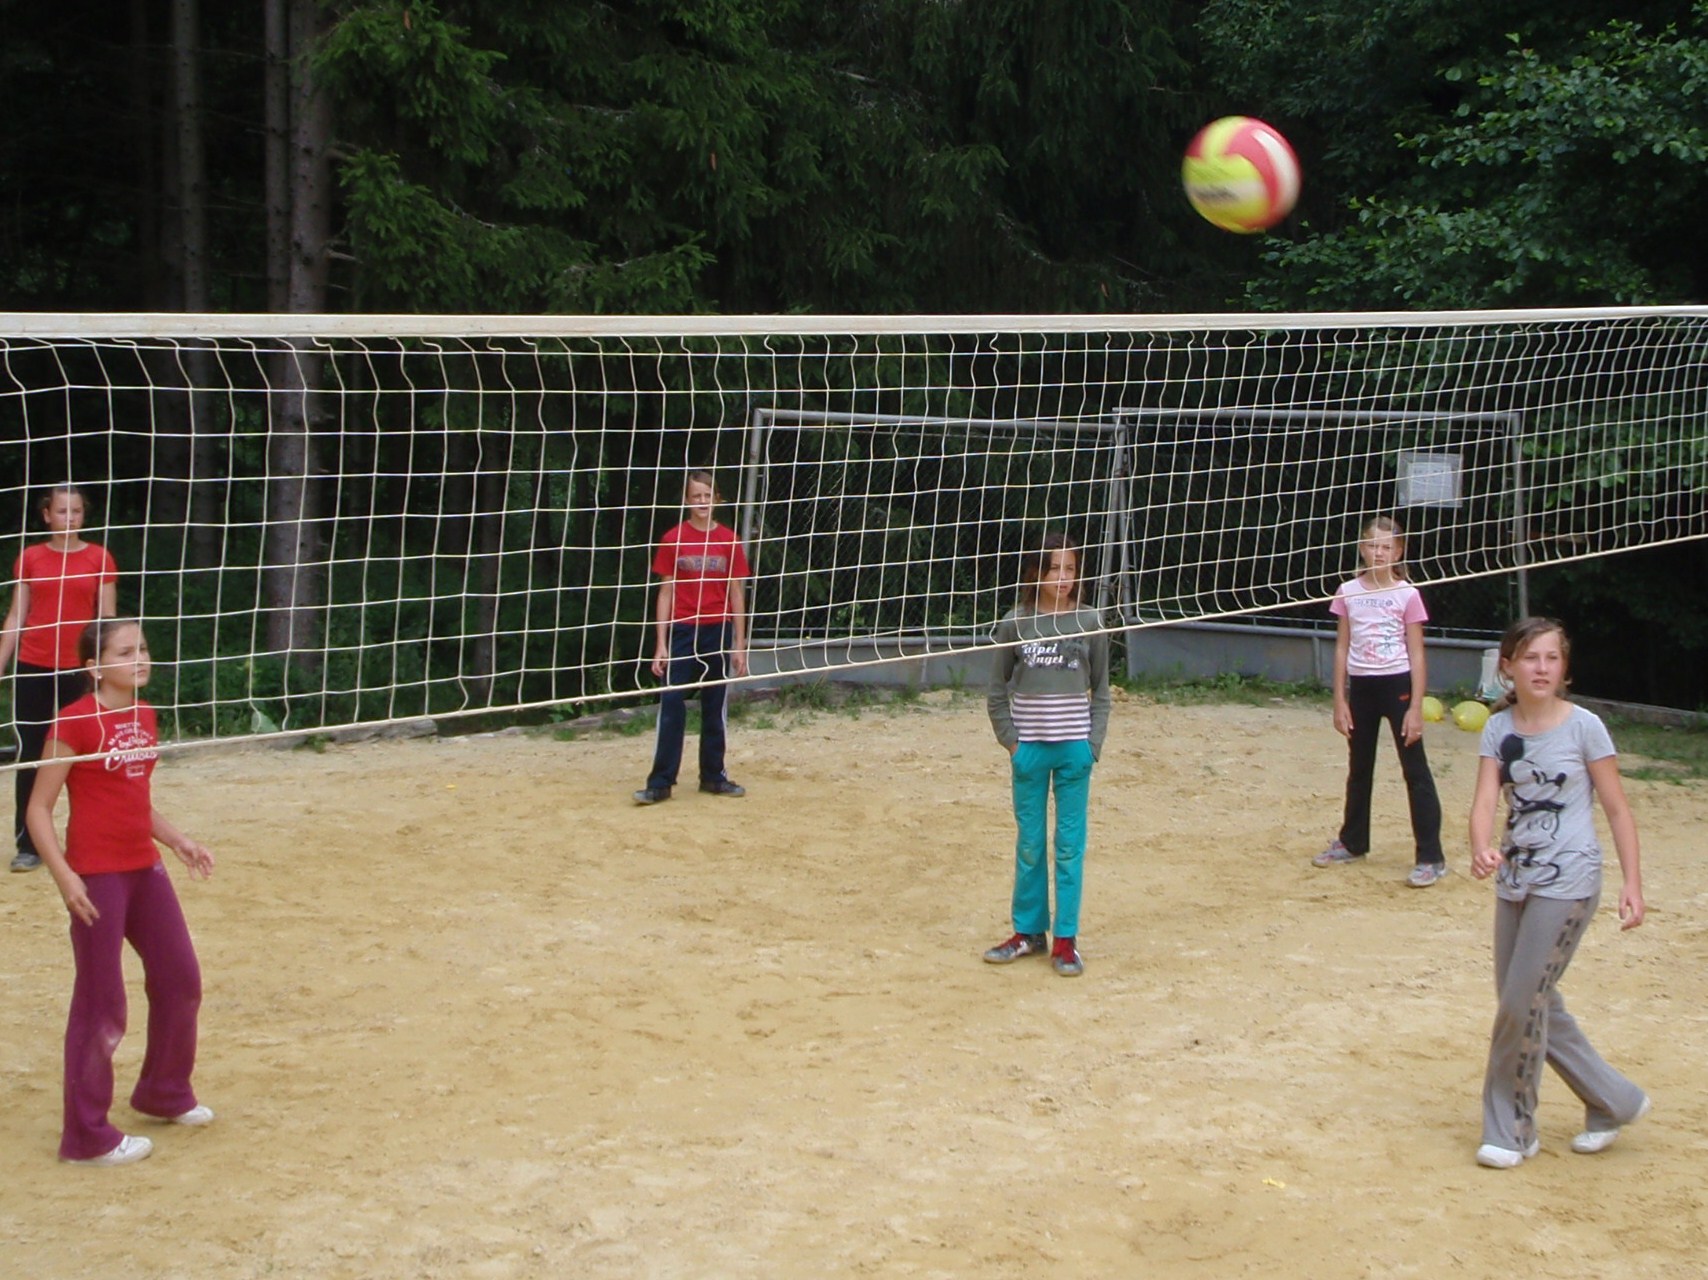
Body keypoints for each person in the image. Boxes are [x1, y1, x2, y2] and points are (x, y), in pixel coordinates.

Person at [25, 617, 215, 1166]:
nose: (140, 659)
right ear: (94, 667)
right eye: (125, 652)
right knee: (101, 1002)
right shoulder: (73, 722)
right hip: (97, 876)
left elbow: (134, 799)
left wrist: (178, 840)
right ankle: (86, 1137)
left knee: (180, 979)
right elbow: (38, 809)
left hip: (143, 868)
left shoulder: (144, 715)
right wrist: (66, 878)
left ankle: (164, 1091)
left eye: (143, 649)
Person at [1468, 616, 1649, 1169]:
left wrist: (1633, 883)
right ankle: (1614, 1100)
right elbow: (1484, 800)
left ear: (1564, 667)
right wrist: (1480, 847)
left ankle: (1511, 1129)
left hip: (1569, 881)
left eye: (1551, 658)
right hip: (1515, 880)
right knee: (1527, 999)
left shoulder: (1585, 728)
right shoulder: (1498, 729)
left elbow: (1617, 808)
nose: (1541, 668)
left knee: (1520, 1003)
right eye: (1530, 658)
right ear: (1508, 668)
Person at [984, 531, 1111, 977]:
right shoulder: (1015, 623)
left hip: (1074, 752)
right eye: (1054, 568)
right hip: (1030, 752)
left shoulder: (1090, 620)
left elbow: (1102, 690)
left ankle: (1066, 941)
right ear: (1036, 572)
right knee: (1031, 845)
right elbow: (996, 690)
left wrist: (1092, 745)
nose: (1063, 577)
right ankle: (1028, 932)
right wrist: (1012, 744)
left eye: (1070, 569)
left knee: (1069, 847)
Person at [1313, 515, 1446, 886]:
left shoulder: (1407, 594)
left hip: (1397, 683)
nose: (1379, 553)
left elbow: (1417, 653)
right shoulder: (1348, 591)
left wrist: (1415, 707)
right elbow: (1342, 647)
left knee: (1415, 770)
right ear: (1362, 548)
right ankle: (1353, 842)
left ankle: (1431, 857)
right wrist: (1339, 699)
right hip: (1362, 686)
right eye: (1373, 545)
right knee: (1359, 767)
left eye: (1387, 547)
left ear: (1398, 552)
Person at [2, 485, 119, 873]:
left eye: (77, 511)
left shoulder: (99, 557)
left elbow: (106, 621)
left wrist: (106, 668)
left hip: (80, 669)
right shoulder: (31, 557)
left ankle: (95, 838)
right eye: (62, 510)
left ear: (84, 515)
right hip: (33, 666)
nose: (70, 517)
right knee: (32, 754)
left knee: (88, 755)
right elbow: (16, 616)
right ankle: (29, 844)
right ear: (46, 515)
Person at [634, 470, 750, 805]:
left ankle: (713, 777)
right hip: (683, 630)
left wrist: (739, 645)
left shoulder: (729, 540)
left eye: (707, 495)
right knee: (672, 704)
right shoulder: (673, 539)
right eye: (696, 496)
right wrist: (661, 643)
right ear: (686, 500)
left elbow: (737, 594)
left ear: (717, 500)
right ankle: (660, 783)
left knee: (715, 705)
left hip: (717, 629)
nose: (702, 501)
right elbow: (665, 592)